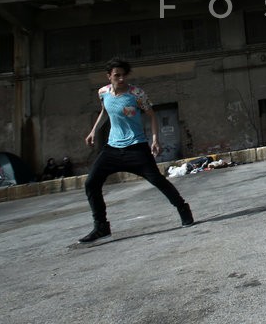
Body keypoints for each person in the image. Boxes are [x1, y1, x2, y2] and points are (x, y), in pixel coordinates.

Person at [79, 57, 193, 243]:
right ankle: (101, 227)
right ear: (109, 76)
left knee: (158, 180)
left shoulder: (136, 94)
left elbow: (151, 115)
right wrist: (93, 131)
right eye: (117, 75)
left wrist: (155, 139)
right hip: (112, 149)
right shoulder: (103, 93)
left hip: (137, 148)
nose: (121, 79)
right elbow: (105, 111)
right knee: (91, 183)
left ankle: (183, 209)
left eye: (124, 75)